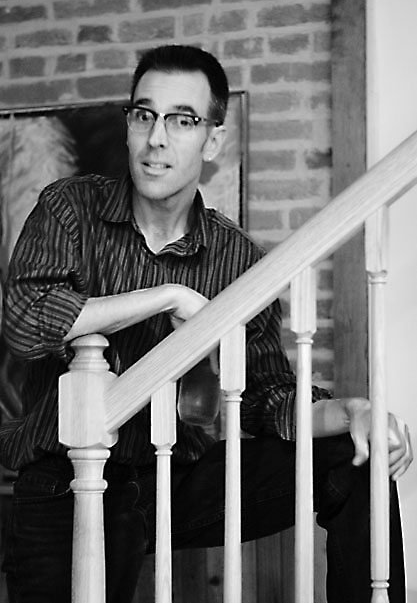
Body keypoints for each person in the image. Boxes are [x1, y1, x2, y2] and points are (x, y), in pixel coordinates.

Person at [0, 44, 412, 603]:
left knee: (354, 460)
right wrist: (167, 297)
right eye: (144, 115)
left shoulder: (236, 256)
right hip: (61, 480)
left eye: (182, 120)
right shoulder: (70, 208)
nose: (157, 138)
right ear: (128, 125)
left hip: (177, 478)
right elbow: (25, 322)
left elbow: (267, 396)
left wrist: (350, 412)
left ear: (213, 140)